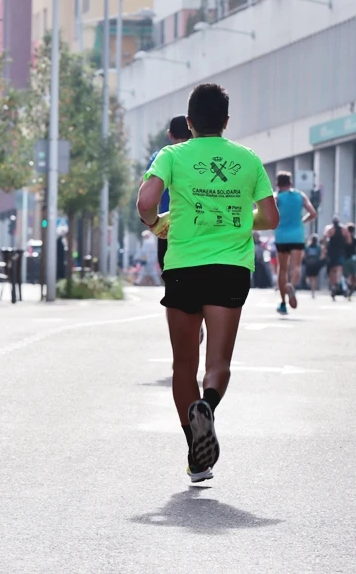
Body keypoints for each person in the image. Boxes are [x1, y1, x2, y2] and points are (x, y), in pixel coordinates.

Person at [137, 83, 279, 483]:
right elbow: (270, 218)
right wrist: (233, 218)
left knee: (184, 365)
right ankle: (209, 407)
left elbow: (146, 203)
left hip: (183, 266)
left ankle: (195, 451)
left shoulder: (171, 155)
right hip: (230, 267)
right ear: (226, 121)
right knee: (218, 364)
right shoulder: (247, 159)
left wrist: (156, 226)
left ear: (189, 122)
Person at [146, 115, 204, 342]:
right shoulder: (199, 155)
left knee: (171, 275)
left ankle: (187, 318)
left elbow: (147, 193)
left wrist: (150, 221)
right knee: (201, 271)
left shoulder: (161, 157)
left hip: (168, 227)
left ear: (169, 134)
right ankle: (198, 316)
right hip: (199, 224)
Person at [273, 171, 317, 314]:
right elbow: (313, 213)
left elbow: (269, 212)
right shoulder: (300, 195)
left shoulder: (277, 197)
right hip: (297, 235)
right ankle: (292, 285)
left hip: (281, 235)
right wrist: (302, 221)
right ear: (290, 183)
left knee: (282, 268)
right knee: (296, 266)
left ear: (278, 184)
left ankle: (283, 302)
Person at [322, 216, 351, 300]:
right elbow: (349, 240)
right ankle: (338, 282)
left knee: (331, 270)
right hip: (340, 251)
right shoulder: (344, 229)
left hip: (331, 251)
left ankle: (333, 285)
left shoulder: (329, 229)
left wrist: (324, 249)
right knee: (339, 268)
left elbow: (324, 239)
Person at [343, 223, 356, 299]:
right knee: (353, 275)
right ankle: (351, 287)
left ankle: (347, 286)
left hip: (345, 259)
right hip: (353, 259)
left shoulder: (344, 239)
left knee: (345, 275)